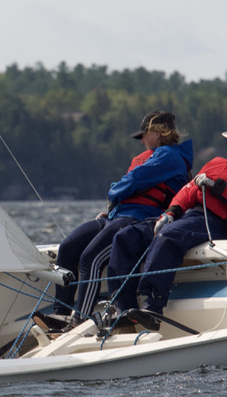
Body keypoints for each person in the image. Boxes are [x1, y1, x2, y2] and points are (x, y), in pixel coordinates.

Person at [107, 121, 227, 324]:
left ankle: (152, 305)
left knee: (169, 236)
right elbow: (189, 189)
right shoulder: (217, 163)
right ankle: (123, 308)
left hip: (215, 222)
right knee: (126, 236)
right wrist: (171, 212)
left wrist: (219, 187)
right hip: (187, 216)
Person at [43, 111, 193, 328]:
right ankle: (61, 312)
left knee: (91, 258)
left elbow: (131, 181)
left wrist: (114, 192)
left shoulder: (169, 156)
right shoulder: (150, 157)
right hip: (116, 217)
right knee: (68, 247)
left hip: (137, 218)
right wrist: (116, 196)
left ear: (160, 133)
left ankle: (80, 318)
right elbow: (128, 184)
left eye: (144, 134)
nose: (141, 139)